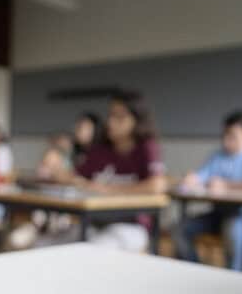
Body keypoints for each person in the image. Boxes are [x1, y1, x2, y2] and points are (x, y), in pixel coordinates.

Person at [34, 91, 166, 252]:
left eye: (120, 117)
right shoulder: (100, 149)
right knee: (41, 246)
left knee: (92, 252)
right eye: (110, 115)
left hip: (131, 225)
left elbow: (157, 185)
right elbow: (76, 177)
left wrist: (104, 189)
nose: (111, 122)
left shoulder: (146, 147)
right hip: (94, 222)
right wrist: (56, 168)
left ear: (137, 120)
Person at [172, 110, 242, 271]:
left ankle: (235, 276)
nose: (227, 140)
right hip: (219, 214)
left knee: (233, 231)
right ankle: (195, 273)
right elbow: (200, 177)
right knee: (179, 229)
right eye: (225, 134)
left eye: (233, 135)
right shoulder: (219, 154)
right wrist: (191, 179)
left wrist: (227, 185)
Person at [38, 112, 101, 180]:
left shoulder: (99, 153)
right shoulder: (73, 148)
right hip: (65, 182)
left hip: (84, 184)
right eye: (78, 126)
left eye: (85, 127)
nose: (78, 129)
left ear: (95, 130)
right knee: (52, 155)